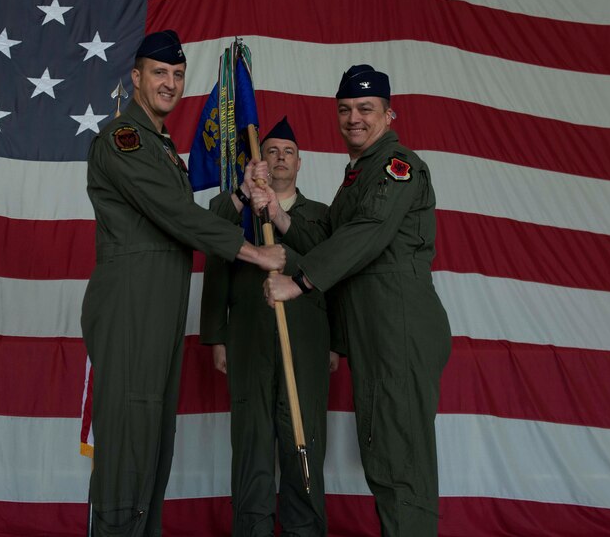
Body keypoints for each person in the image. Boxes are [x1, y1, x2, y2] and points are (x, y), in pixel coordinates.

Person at [81, 30, 285, 537]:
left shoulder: (160, 145)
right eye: (158, 72)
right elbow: (175, 214)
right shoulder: (122, 140)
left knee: (154, 446)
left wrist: (239, 196)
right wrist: (254, 251)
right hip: (131, 308)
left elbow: (182, 215)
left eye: (176, 75)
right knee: (129, 447)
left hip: (160, 308)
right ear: (135, 78)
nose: (170, 83)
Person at [256, 66, 452, 536]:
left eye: (365, 109)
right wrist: (278, 214)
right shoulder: (358, 174)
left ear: (388, 113)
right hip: (373, 323)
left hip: (397, 321)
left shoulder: (396, 165)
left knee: (400, 458)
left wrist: (297, 281)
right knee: (383, 451)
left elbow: (368, 233)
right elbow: (330, 235)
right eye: (345, 110)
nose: (353, 119)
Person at [200, 117, 341, 536]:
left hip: (307, 343)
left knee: (304, 440)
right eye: (272, 151)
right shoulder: (238, 212)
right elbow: (214, 253)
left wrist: (338, 343)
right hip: (248, 340)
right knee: (252, 445)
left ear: (301, 163)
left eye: (288, 152)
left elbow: (335, 270)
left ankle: (304, 530)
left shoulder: (321, 216)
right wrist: (216, 335)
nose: (280, 158)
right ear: (260, 161)